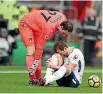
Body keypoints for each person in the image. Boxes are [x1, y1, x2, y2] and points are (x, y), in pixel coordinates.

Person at [18, 10, 73, 85]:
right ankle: (32, 79)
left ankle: (39, 78)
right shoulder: (49, 28)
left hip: (37, 26)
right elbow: (40, 47)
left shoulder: (64, 20)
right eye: (63, 33)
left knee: (38, 53)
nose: (63, 35)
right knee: (32, 50)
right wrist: (35, 64)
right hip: (26, 23)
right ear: (61, 27)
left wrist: (36, 61)